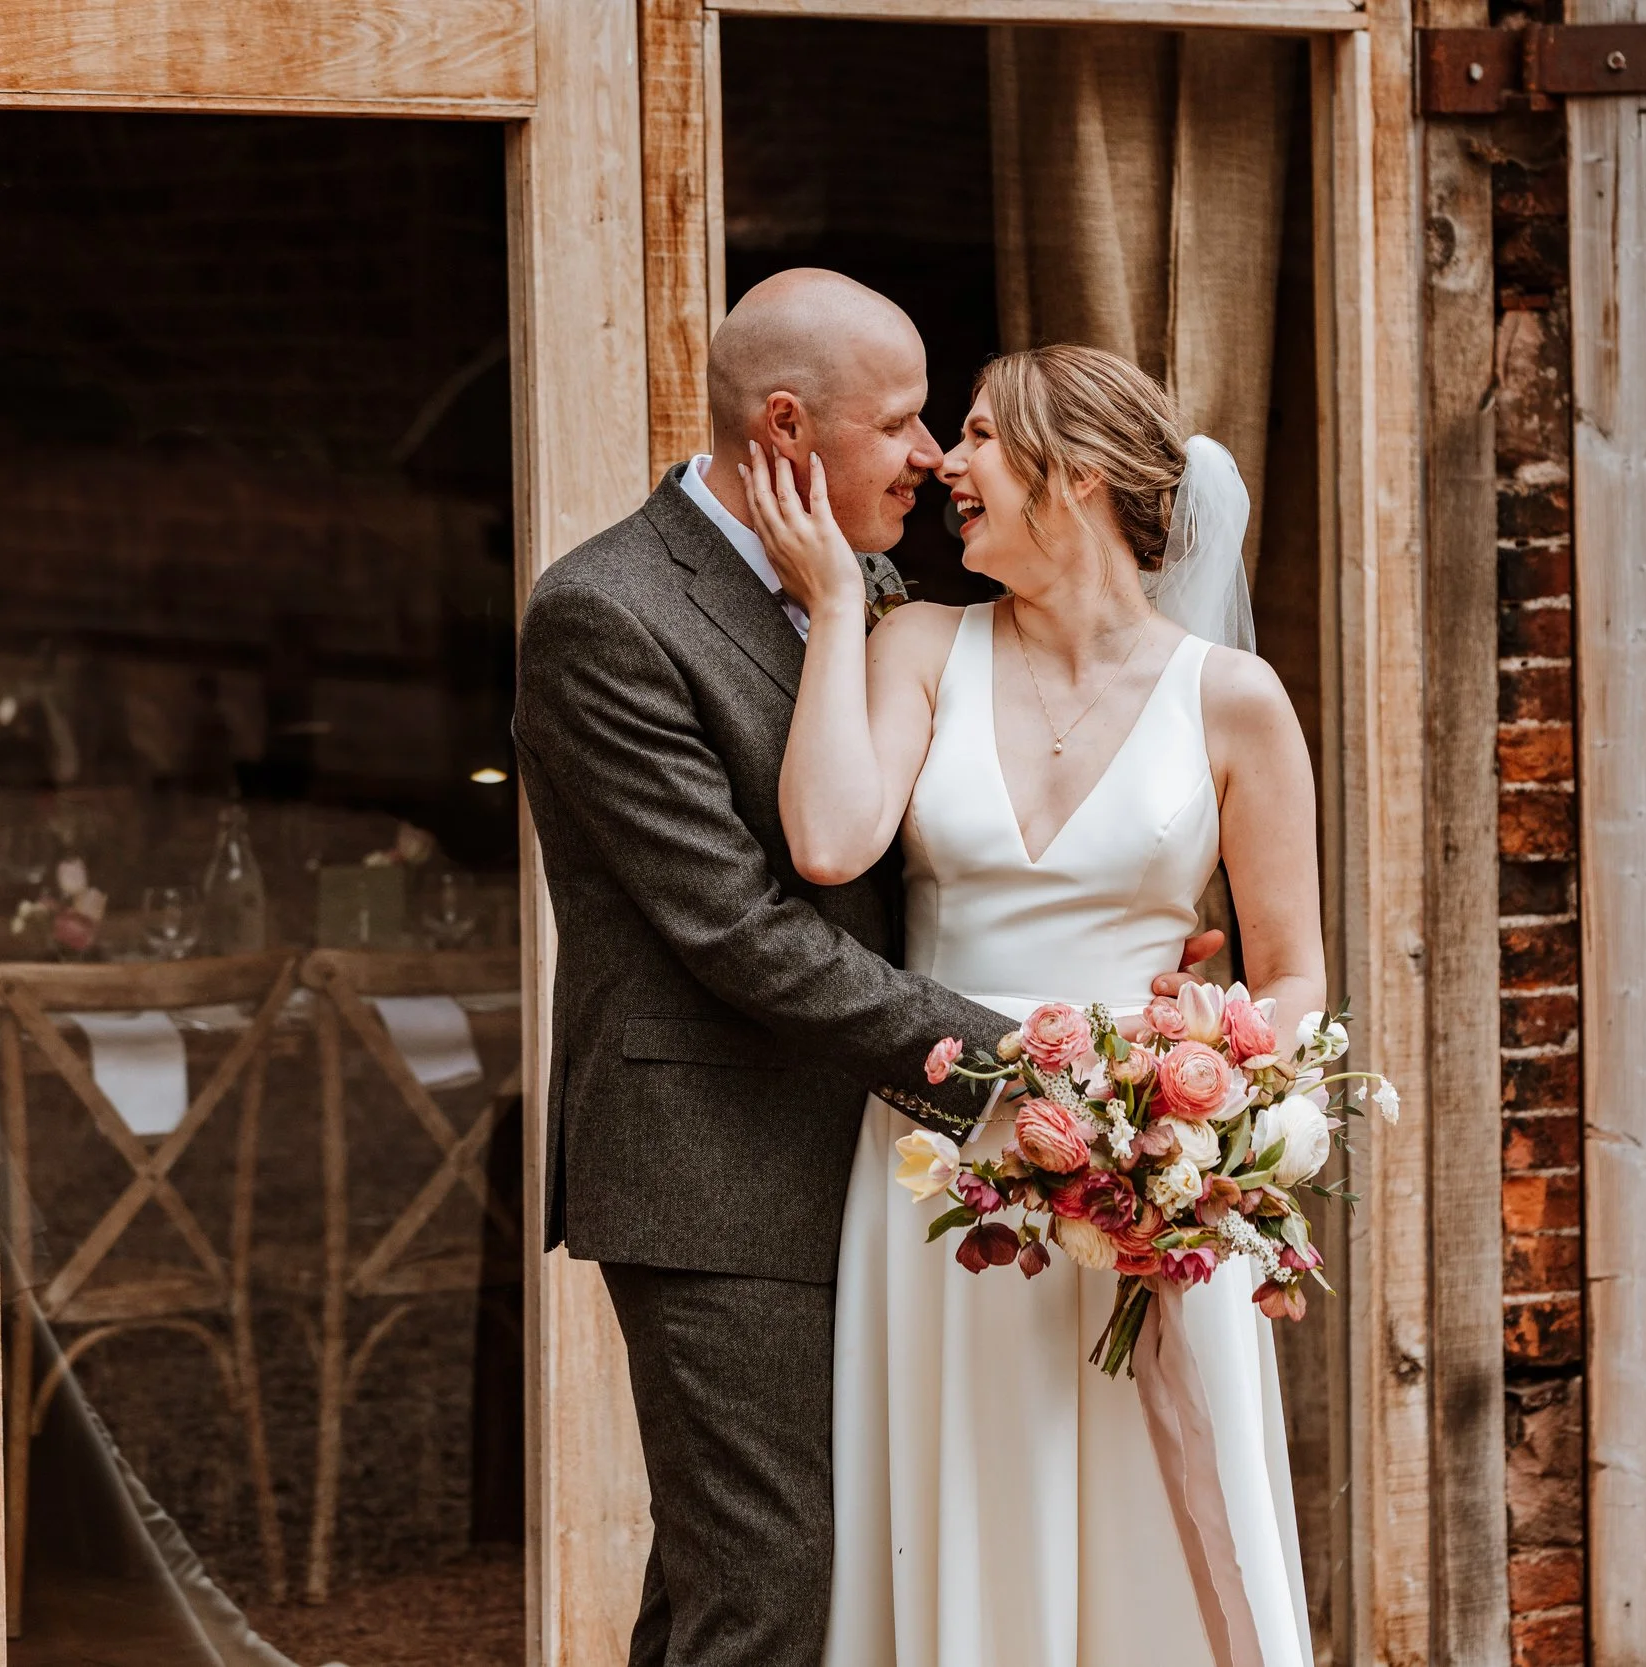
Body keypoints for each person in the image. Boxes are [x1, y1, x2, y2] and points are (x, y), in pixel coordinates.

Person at [512, 274, 1219, 1667]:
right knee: (770, 1579)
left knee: (749, 1575)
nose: (933, 458)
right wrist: (1026, 1059)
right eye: (901, 421)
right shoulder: (604, 614)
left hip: (878, 1165)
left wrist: (1127, 933)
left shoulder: (880, 589)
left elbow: (935, 841)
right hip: (714, 1171)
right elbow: (739, 931)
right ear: (788, 424)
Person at [747, 341, 1322, 1667]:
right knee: (977, 1495)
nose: (949, 461)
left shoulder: (1232, 701)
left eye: (987, 434)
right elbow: (831, 840)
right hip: (947, 1163)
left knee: (1156, 1523)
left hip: (1149, 1167)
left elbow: (1294, 974)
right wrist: (838, 604)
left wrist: (1190, 1125)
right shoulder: (921, 644)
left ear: (1088, 473)